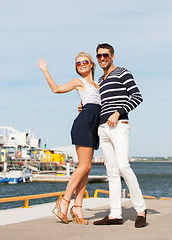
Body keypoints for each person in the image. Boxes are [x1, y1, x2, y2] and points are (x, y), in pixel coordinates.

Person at [36, 52, 101, 225]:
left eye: (84, 62)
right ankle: (64, 202)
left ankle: (78, 208)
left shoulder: (99, 84)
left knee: (86, 170)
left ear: (91, 64)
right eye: (78, 64)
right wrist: (45, 70)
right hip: (84, 124)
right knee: (84, 166)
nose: (81, 65)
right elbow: (56, 89)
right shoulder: (79, 82)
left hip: (94, 127)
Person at [93, 43, 147, 228]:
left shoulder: (122, 72)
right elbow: (102, 103)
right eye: (99, 56)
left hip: (119, 125)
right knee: (112, 172)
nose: (102, 59)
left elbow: (137, 96)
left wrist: (118, 112)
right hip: (103, 128)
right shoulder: (100, 80)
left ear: (112, 56)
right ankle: (115, 214)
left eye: (105, 55)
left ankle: (141, 209)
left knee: (123, 166)